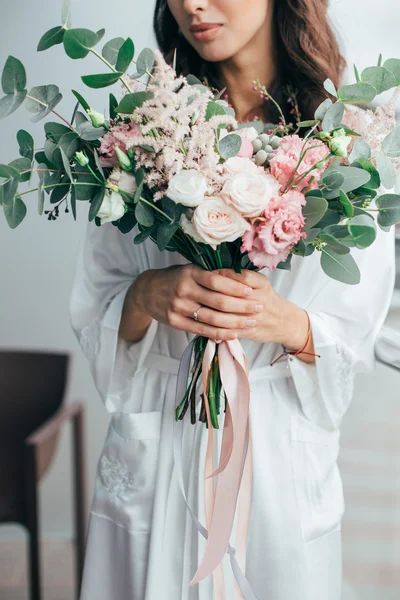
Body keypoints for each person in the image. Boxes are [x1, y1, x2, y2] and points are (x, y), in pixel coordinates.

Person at [69, 1, 396, 599]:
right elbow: (100, 291)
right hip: (163, 426)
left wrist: (289, 324)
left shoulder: (345, 142)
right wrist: (146, 294)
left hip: (275, 444)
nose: (193, 3)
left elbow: (356, 329)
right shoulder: (142, 131)